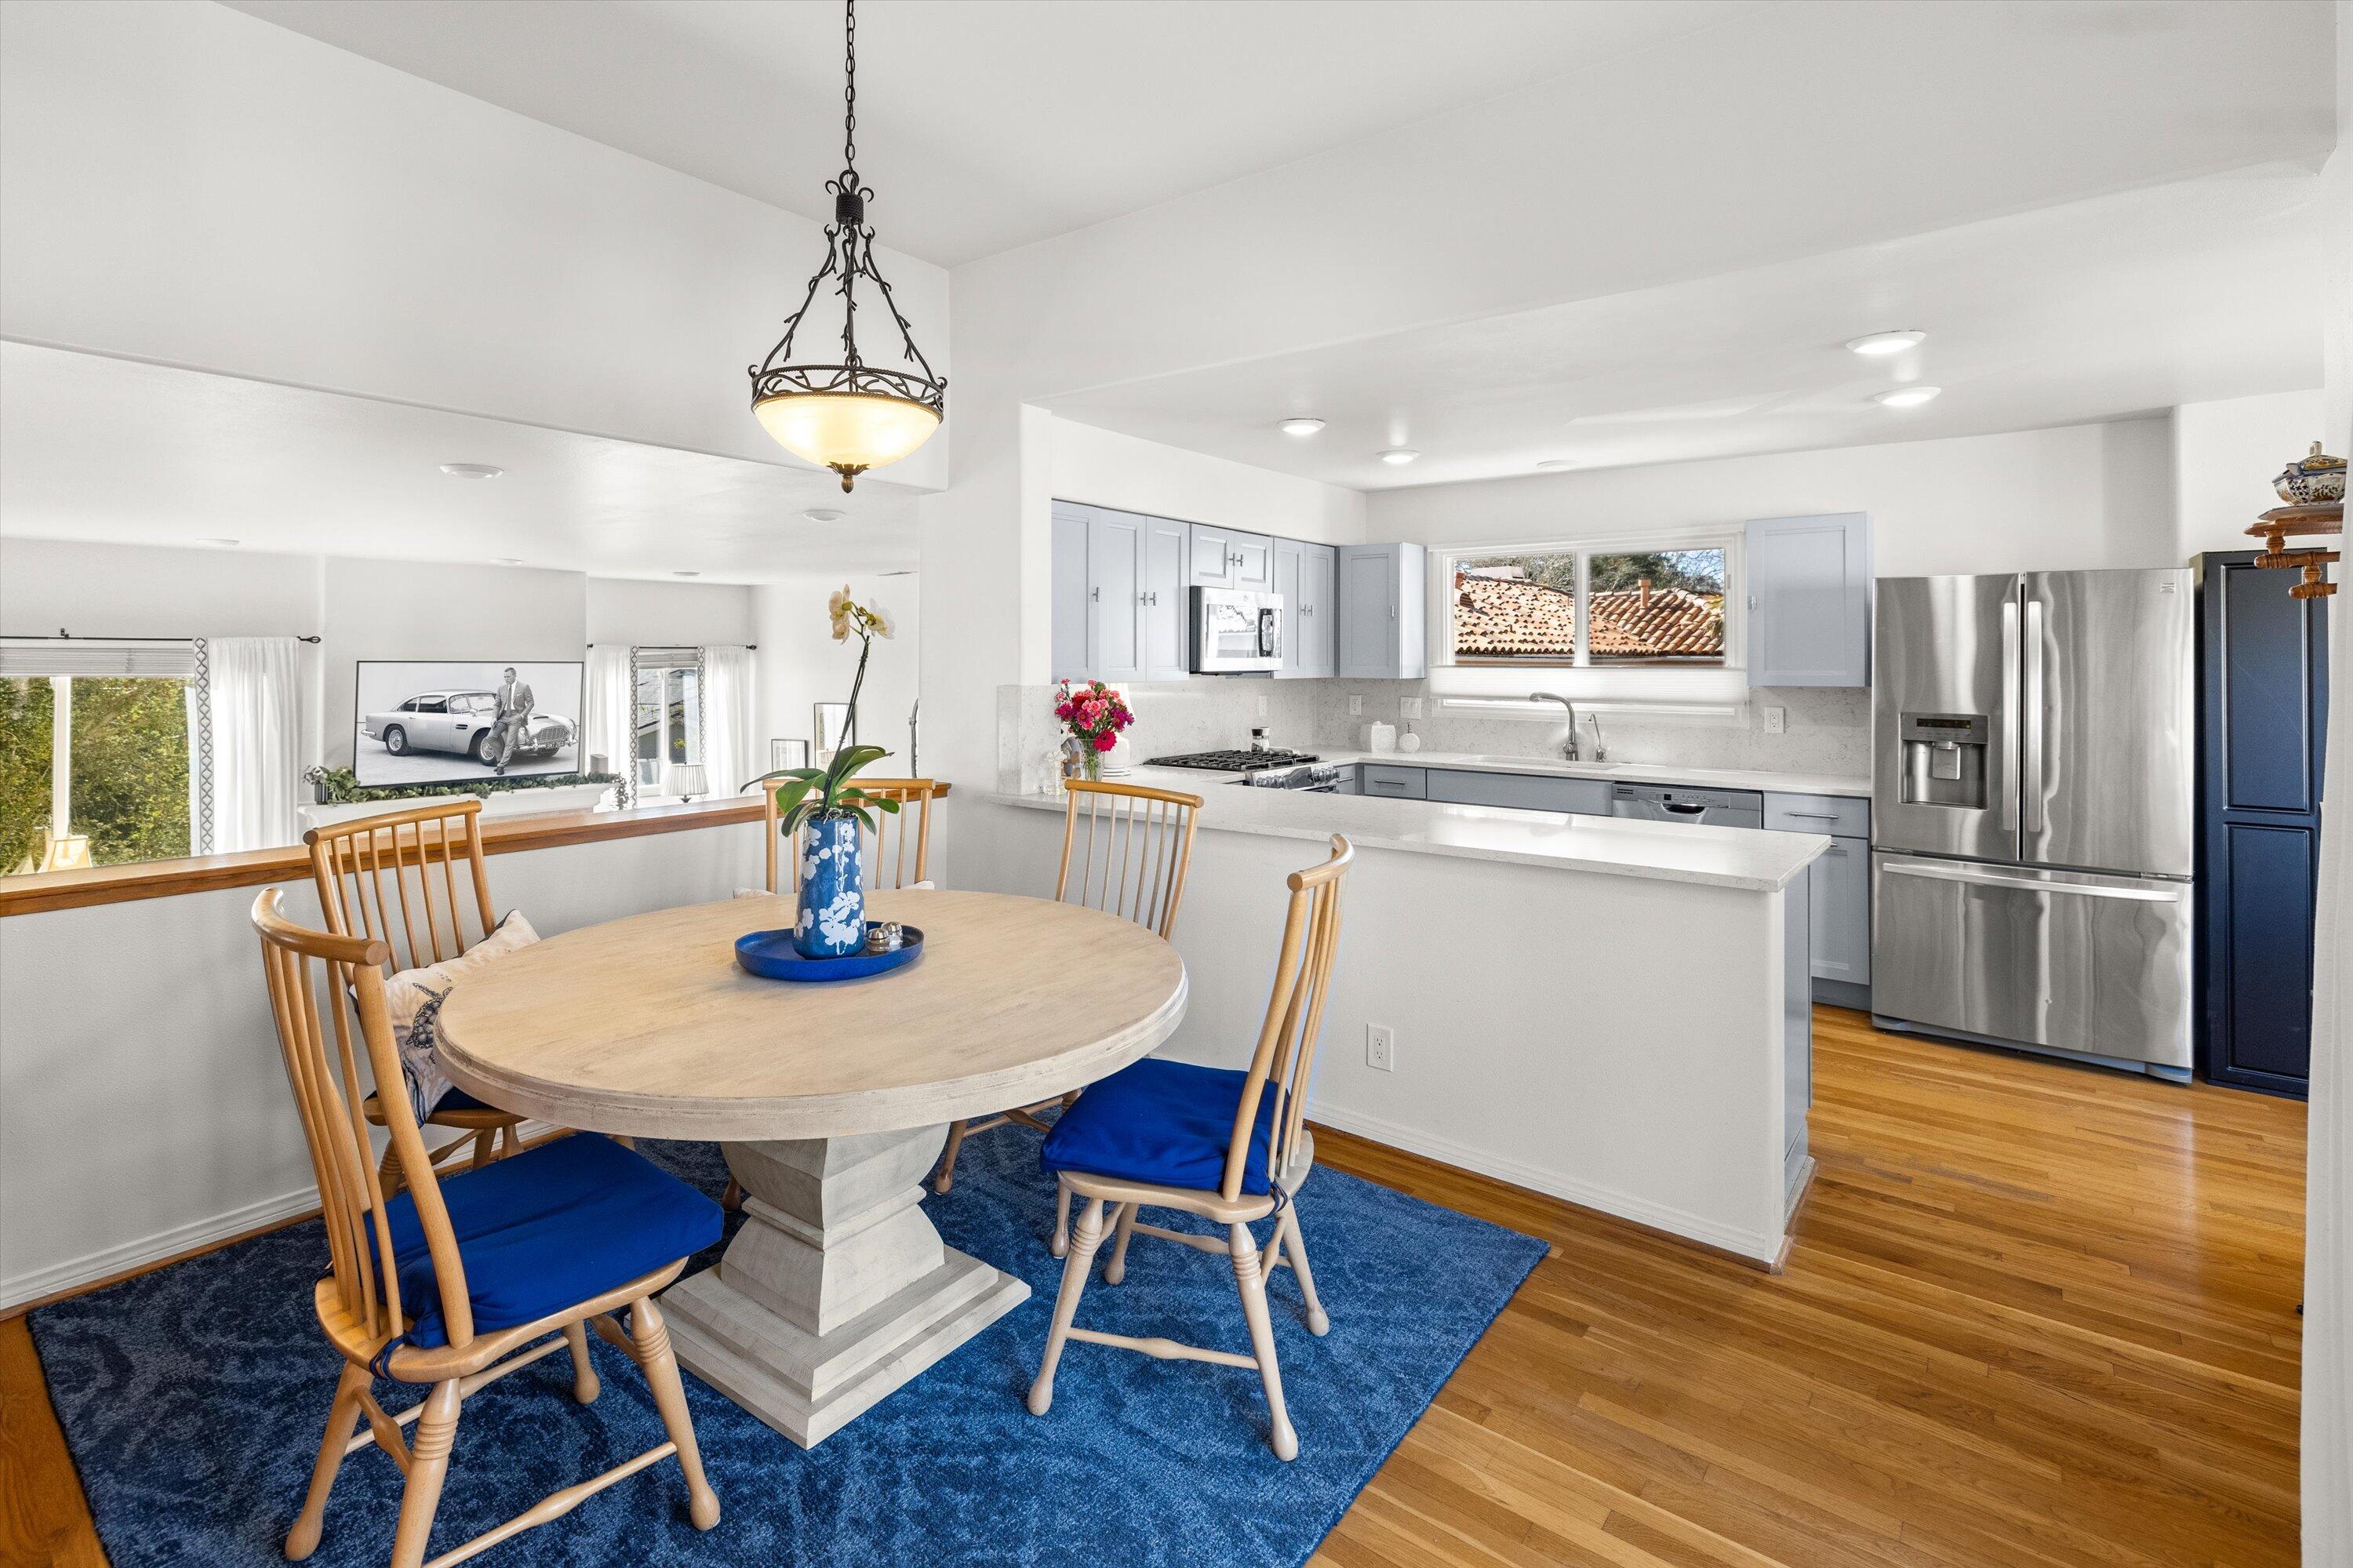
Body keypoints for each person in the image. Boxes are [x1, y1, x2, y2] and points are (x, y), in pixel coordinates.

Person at [490, 666, 534, 775]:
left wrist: (522, 715)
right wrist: (494, 717)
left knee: (510, 742)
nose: (506, 679)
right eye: (505, 677)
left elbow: (531, 703)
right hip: (503, 717)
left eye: (508, 677)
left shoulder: (524, 687)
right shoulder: (501, 688)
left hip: (516, 717)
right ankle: (500, 760)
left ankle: (501, 766)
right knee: (490, 737)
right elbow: (497, 704)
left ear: (515, 675)